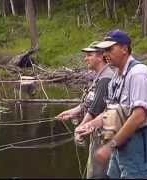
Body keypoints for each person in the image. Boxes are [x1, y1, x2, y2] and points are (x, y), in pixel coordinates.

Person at [90, 30, 147, 178]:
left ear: (124, 49)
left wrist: (110, 145)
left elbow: (138, 116)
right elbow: (111, 112)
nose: (105, 54)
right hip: (121, 145)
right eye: (104, 50)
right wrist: (89, 125)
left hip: (139, 144)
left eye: (110, 49)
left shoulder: (139, 74)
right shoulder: (116, 77)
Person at [55, 41, 114, 178]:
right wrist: (72, 112)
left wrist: (79, 128)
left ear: (100, 57)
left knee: (98, 174)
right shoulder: (99, 77)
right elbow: (89, 103)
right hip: (97, 133)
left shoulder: (106, 78)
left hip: (104, 136)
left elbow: (95, 111)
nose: (85, 58)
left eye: (89, 55)